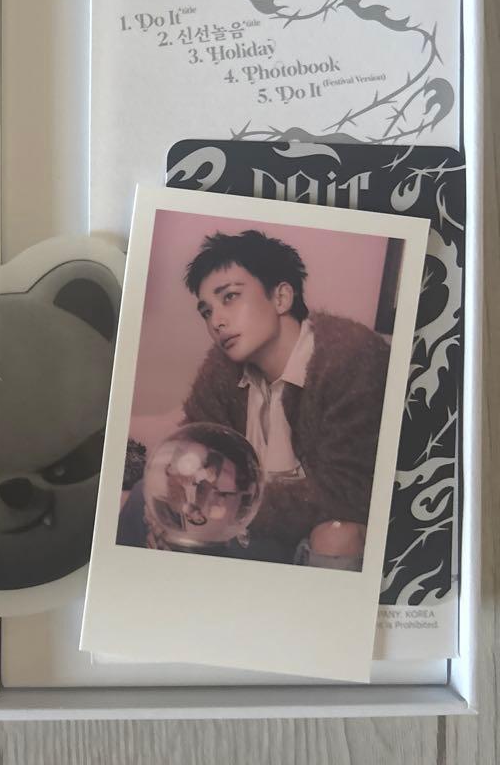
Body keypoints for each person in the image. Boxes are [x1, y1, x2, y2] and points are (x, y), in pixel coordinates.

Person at [162, 229, 390, 566]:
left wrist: (227, 502)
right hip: (250, 533)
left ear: (281, 297)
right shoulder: (222, 369)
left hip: (315, 534)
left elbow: (350, 491)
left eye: (230, 297)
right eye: (206, 311)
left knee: (338, 535)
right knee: (143, 502)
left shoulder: (351, 356)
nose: (217, 322)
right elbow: (192, 454)